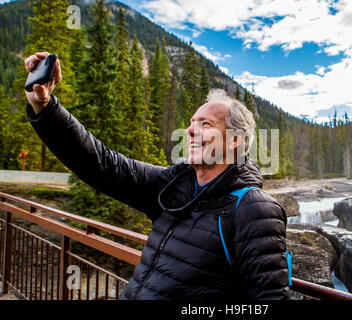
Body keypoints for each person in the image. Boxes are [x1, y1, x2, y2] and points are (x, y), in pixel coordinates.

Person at [24, 52, 290, 300]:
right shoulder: (173, 186)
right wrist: (46, 109)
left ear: (235, 140)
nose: (190, 131)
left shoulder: (254, 208)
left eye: (205, 124)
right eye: (191, 123)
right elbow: (101, 164)